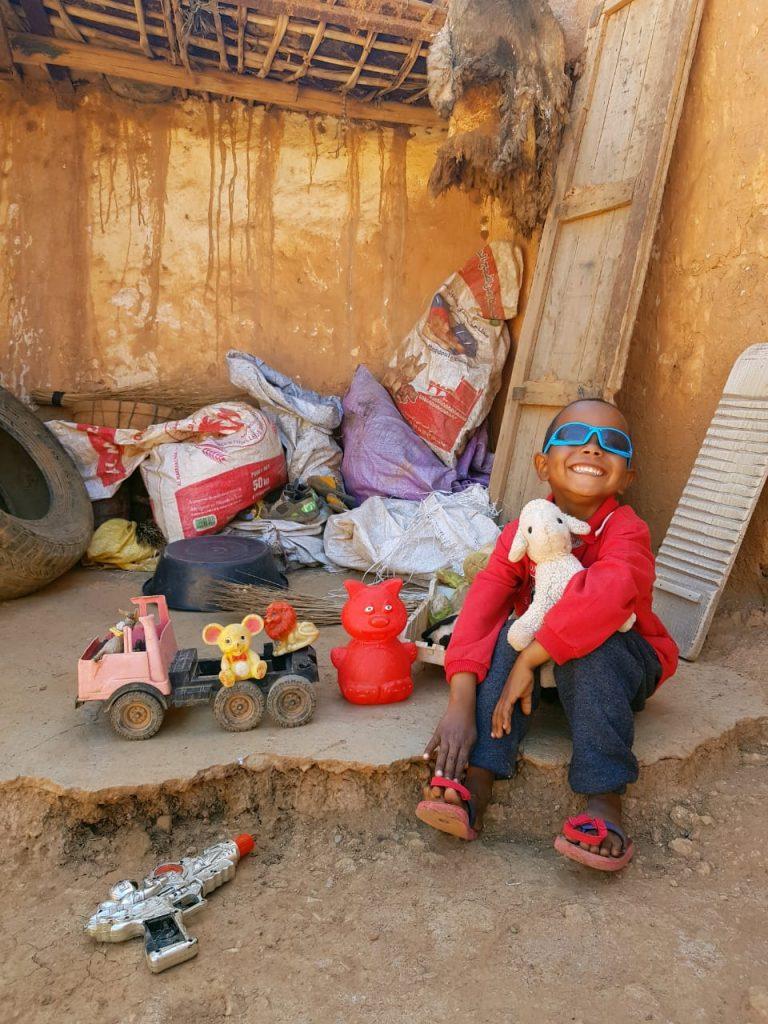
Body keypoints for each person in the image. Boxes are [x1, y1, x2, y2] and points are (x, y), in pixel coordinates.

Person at [416, 399, 678, 871]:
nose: (593, 449)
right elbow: (483, 603)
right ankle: (477, 780)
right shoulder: (523, 529)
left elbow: (607, 597)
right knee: (505, 632)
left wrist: (530, 659)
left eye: (611, 444)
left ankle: (603, 799)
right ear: (543, 464)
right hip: (546, 664)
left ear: (627, 476)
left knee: (593, 649)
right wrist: (459, 700)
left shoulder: (626, 530)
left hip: (623, 661)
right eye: (575, 438)